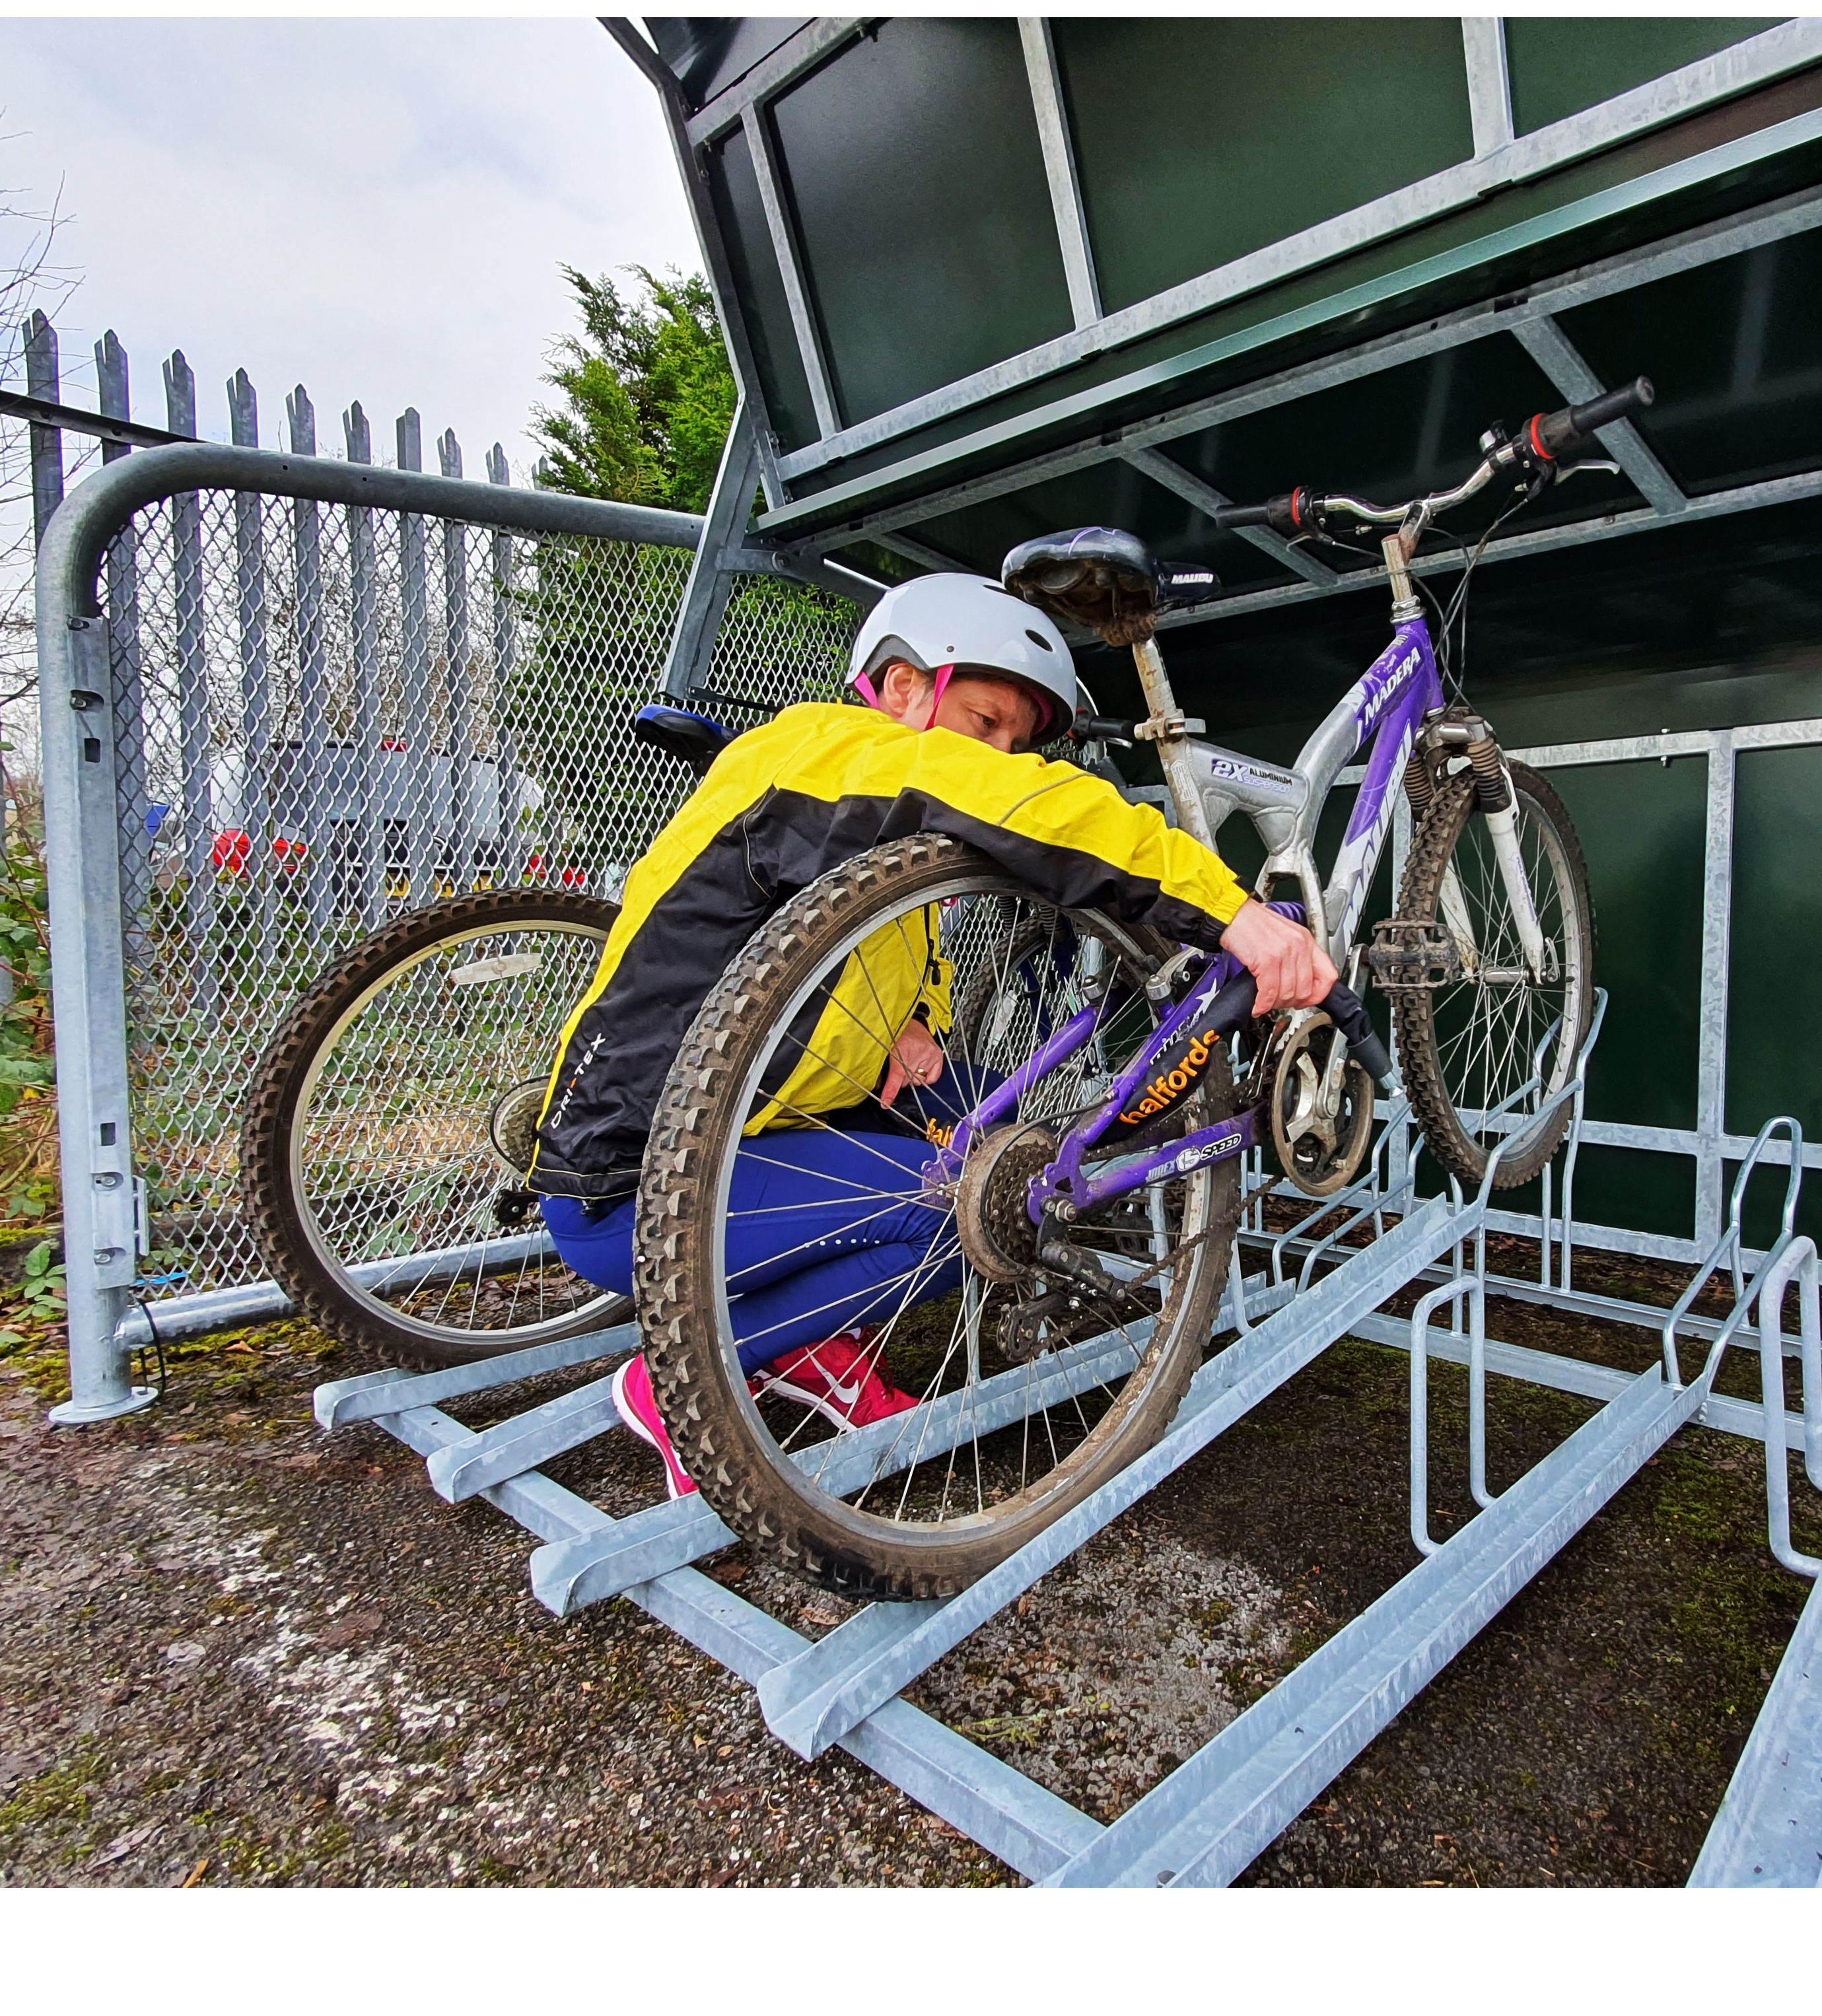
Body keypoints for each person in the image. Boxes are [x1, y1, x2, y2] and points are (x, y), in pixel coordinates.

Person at [528, 571, 1336, 1496]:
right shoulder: (818, 751)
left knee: (978, 1104)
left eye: (1016, 741)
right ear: (904, 685)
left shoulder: (871, 837)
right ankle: (684, 1374)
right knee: (977, 1212)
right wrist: (1230, 911)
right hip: (629, 1187)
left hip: (744, 1130)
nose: (1001, 755)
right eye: (984, 723)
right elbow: (1026, 804)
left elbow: (902, 964)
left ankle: (808, 1343)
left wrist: (912, 1031)